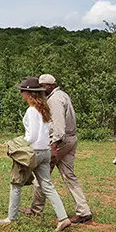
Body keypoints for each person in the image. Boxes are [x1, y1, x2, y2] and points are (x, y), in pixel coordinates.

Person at [0, 77, 73, 232]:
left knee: (16, 183)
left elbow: (31, 136)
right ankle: (63, 218)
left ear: (28, 93)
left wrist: (17, 143)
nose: (21, 94)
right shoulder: (43, 108)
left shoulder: (31, 110)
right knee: (47, 185)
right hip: (45, 151)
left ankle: (11, 218)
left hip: (33, 152)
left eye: (22, 91)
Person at [22, 74, 93, 223]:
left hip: (60, 141)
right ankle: (84, 210)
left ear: (51, 86)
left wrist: (54, 147)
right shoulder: (62, 95)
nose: (41, 90)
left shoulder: (55, 100)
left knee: (42, 175)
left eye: (44, 87)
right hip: (71, 139)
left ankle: (36, 209)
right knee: (69, 176)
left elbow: (59, 127)